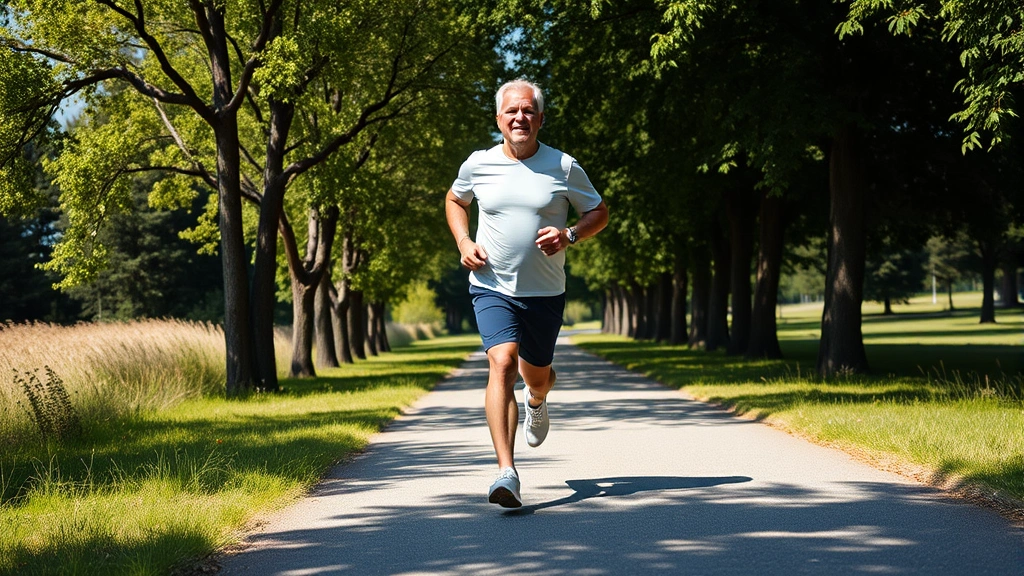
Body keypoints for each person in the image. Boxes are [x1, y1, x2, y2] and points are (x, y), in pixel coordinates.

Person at [444, 79, 609, 508]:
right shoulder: (478, 164)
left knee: (535, 375)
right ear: (498, 119)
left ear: (540, 118)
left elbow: (599, 212)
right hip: (491, 286)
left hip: (545, 292)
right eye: (512, 111)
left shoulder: (564, 166)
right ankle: (506, 473)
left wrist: (570, 234)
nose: (520, 117)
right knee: (502, 361)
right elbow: (455, 200)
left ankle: (537, 398)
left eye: (528, 111)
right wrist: (464, 242)